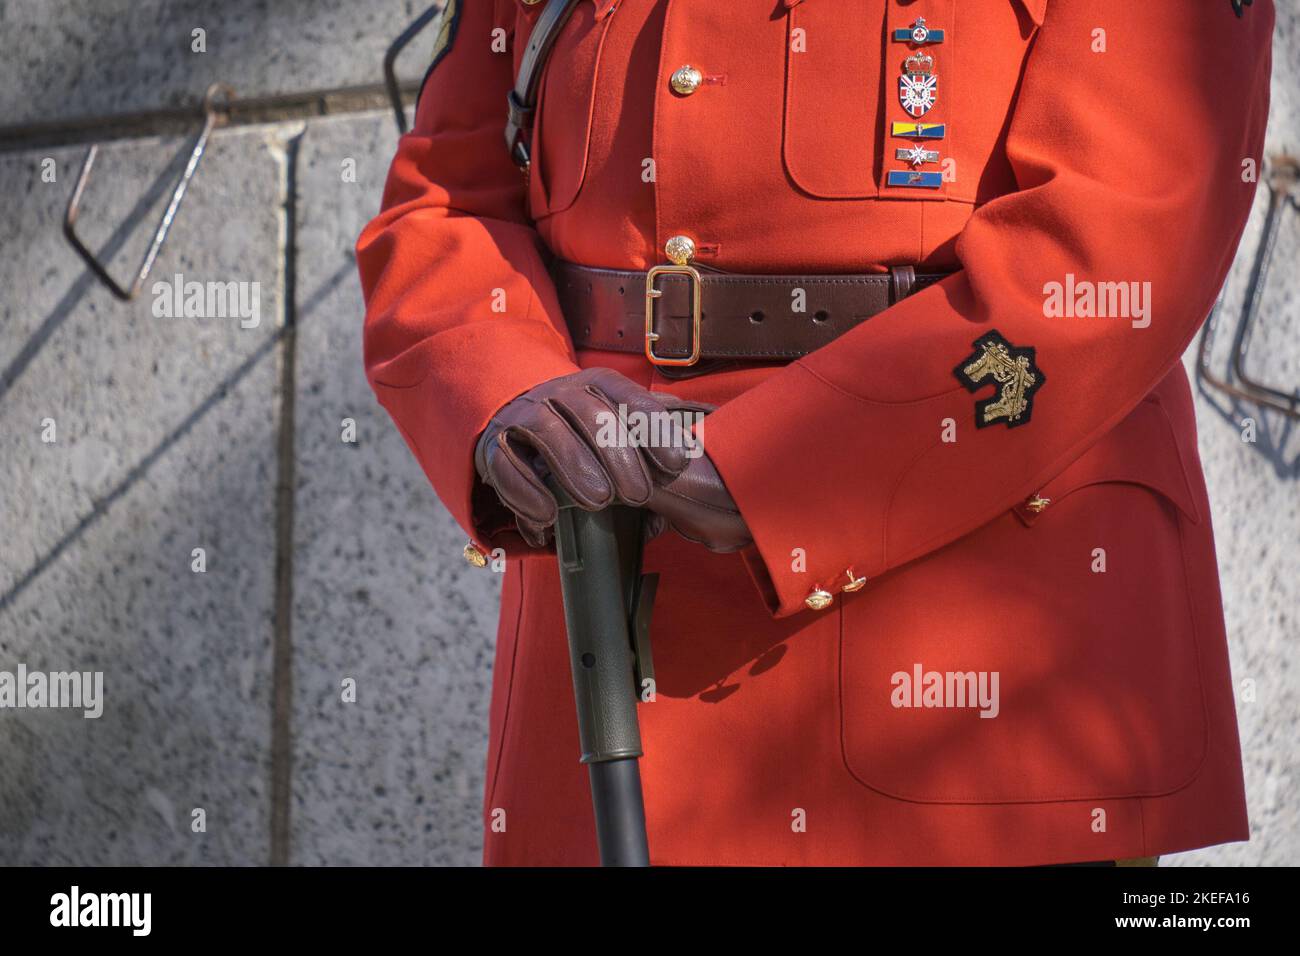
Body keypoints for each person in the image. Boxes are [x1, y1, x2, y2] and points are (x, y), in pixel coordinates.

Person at [357, 0, 1275, 865]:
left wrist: (774, 471)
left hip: (984, 677)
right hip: (610, 640)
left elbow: (1116, 241)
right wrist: (505, 392)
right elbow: (446, 201)